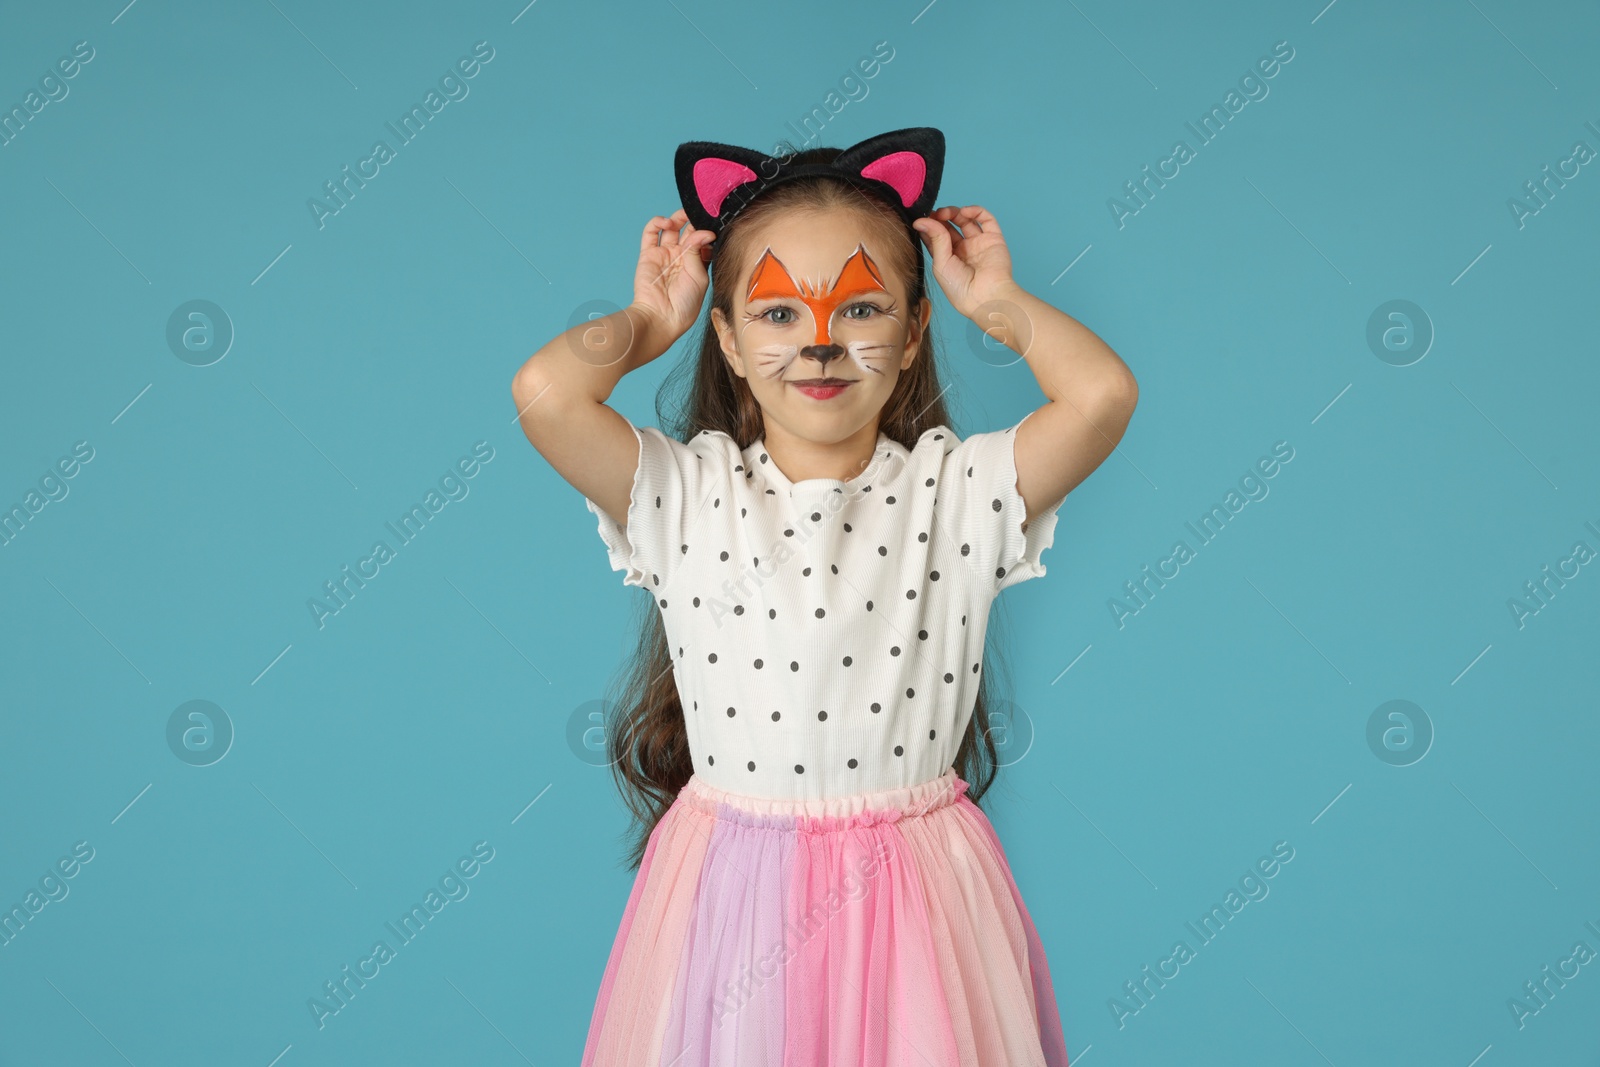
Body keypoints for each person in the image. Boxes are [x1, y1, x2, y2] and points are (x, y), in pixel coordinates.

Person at [511, 127, 1137, 1067]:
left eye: (861, 310)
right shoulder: (688, 493)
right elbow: (547, 393)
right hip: (732, 899)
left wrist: (1000, 303)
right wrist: (646, 324)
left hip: (917, 902)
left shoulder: (956, 491)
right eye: (771, 315)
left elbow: (1100, 396)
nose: (818, 343)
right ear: (723, 338)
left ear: (917, 327)